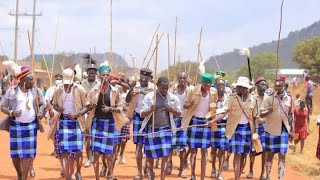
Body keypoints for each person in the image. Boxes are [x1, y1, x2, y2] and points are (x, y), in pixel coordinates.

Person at [1, 65, 45, 180]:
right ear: (23, 81)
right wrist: (11, 113)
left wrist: (40, 112)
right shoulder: (11, 91)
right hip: (16, 126)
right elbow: (2, 106)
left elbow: (43, 104)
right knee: (15, 155)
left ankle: (23, 178)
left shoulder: (36, 91)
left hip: (31, 126)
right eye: (31, 80)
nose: (33, 82)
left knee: (28, 154)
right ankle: (20, 174)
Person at [87, 64, 127, 180]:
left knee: (109, 153)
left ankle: (110, 173)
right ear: (99, 76)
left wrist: (111, 109)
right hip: (97, 123)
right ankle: (97, 177)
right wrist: (90, 106)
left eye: (107, 75)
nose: (105, 77)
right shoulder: (94, 90)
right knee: (96, 153)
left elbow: (121, 107)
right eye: (103, 75)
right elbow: (87, 104)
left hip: (110, 123)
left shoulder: (115, 91)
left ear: (110, 77)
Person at [140, 76, 181, 180]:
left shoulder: (172, 98)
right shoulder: (150, 97)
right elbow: (142, 114)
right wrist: (150, 110)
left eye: (166, 88)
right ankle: (151, 172)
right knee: (150, 156)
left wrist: (170, 109)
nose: (164, 90)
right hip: (152, 129)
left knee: (165, 155)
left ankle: (162, 177)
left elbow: (179, 113)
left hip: (166, 129)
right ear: (157, 86)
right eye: (162, 88)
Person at [52, 67, 90, 180]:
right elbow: (53, 104)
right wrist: (59, 109)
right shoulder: (58, 90)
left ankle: (77, 171)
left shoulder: (80, 89)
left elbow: (87, 106)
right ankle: (69, 175)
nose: (66, 85)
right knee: (64, 151)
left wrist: (77, 114)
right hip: (63, 122)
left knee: (77, 151)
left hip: (77, 122)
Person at [182, 73, 217, 180]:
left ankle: (202, 177)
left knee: (204, 151)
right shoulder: (193, 91)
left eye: (209, 85)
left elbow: (213, 109)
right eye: (206, 85)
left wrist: (212, 121)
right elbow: (185, 105)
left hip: (206, 123)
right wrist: (190, 104)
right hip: (194, 121)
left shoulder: (213, 93)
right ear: (202, 83)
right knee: (193, 151)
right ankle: (192, 174)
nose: (207, 87)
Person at [224, 76, 257, 180]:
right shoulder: (232, 98)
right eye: (237, 87)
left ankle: (238, 174)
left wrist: (255, 132)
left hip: (248, 129)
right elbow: (225, 111)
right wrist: (213, 120)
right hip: (235, 129)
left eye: (240, 87)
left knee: (244, 154)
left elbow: (255, 116)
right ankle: (236, 177)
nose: (237, 89)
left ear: (245, 88)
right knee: (237, 153)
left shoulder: (253, 100)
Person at [126, 68, 154, 179]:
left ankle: (147, 166)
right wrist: (130, 92)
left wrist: (141, 92)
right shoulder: (135, 86)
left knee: (149, 145)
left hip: (150, 118)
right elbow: (127, 100)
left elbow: (154, 98)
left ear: (148, 78)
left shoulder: (153, 88)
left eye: (145, 78)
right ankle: (139, 172)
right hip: (138, 117)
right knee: (138, 146)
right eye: (141, 77)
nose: (143, 79)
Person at [263, 76, 292, 180]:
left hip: (283, 129)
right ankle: (268, 176)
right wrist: (268, 111)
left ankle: (280, 178)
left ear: (284, 86)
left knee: (282, 154)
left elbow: (291, 114)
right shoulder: (268, 97)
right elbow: (261, 114)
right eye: (276, 85)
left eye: (279, 85)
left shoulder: (289, 98)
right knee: (270, 154)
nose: (277, 87)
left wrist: (291, 130)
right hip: (270, 129)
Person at [168, 72, 193, 178]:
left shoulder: (190, 91)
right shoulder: (172, 90)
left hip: (184, 120)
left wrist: (190, 105)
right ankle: (169, 164)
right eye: (180, 77)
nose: (182, 79)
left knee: (182, 146)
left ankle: (181, 169)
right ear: (177, 78)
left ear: (187, 79)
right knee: (170, 144)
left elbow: (193, 104)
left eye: (184, 77)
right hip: (172, 119)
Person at [246, 77, 268, 180]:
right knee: (253, 150)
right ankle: (250, 170)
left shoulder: (268, 98)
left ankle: (262, 173)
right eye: (261, 84)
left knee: (264, 151)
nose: (264, 86)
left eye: (265, 84)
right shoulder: (253, 97)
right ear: (257, 86)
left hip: (264, 126)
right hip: (254, 126)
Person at [81, 54, 100, 168]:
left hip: (97, 115)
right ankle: (88, 158)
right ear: (87, 73)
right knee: (87, 137)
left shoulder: (99, 84)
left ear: (95, 73)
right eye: (90, 73)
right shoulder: (82, 84)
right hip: (85, 114)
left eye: (93, 73)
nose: (91, 74)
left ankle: (94, 157)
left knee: (95, 137)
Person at [45, 74, 65, 177]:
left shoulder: (68, 90)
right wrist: (49, 108)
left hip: (69, 122)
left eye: (60, 79)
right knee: (57, 141)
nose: (58, 81)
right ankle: (63, 167)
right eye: (56, 79)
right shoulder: (50, 90)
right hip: (55, 119)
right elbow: (48, 102)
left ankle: (70, 169)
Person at [210, 75, 230, 180]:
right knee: (213, 150)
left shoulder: (228, 97)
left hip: (224, 125)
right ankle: (213, 167)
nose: (221, 86)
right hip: (214, 125)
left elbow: (226, 111)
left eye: (223, 84)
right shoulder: (213, 97)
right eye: (219, 84)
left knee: (222, 149)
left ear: (225, 86)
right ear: (216, 86)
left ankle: (220, 172)